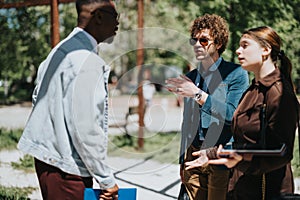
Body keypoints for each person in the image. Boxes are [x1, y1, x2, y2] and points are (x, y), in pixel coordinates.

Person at [17, 0, 119, 199]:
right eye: (115, 16)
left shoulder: (60, 50)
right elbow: (86, 127)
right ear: (98, 16)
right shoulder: (87, 60)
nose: (118, 23)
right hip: (67, 169)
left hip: (49, 160)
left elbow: (38, 96)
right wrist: (106, 179)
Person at [185, 26, 299, 200]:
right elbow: (243, 140)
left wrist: (235, 155)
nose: (238, 50)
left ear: (265, 50)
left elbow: (281, 150)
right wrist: (213, 153)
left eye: (245, 45)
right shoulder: (253, 90)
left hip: (267, 190)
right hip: (242, 187)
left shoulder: (279, 93)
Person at [166, 14, 249, 200]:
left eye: (203, 40)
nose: (197, 44)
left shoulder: (236, 74)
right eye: (193, 40)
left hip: (219, 156)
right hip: (193, 156)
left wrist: (198, 94)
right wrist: (182, 160)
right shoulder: (191, 76)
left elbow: (232, 116)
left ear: (218, 43)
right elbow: (187, 122)